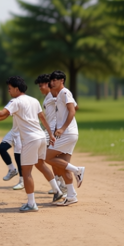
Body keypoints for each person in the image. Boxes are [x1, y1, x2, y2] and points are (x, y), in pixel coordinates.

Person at [0, 76, 64, 212]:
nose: (9, 91)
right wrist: (50, 134)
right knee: (40, 164)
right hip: (41, 136)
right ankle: (57, 191)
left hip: (30, 140)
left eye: (10, 88)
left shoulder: (15, 101)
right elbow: (42, 118)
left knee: (26, 172)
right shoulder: (33, 100)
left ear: (16, 89)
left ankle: (31, 203)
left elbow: (2, 112)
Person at [45, 70, 85, 206]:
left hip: (67, 133)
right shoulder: (59, 95)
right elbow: (75, 106)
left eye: (55, 80)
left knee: (46, 157)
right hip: (67, 133)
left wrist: (62, 128)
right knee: (63, 166)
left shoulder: (64, 92)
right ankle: (71, 195)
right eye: (51, 80)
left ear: (62, 80)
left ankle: (77, 170)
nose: (52, 82)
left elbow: (73, 111)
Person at [34, 74, 66, 195]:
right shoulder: (48, 97)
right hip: (49, 130)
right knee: (51, 158)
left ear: (48, 84)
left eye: (41, 85)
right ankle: (59, 182)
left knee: (47, 157)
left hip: (52, 131)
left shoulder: (54, 95)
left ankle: (63, 181)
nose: (40, 88)